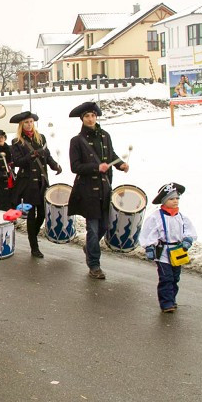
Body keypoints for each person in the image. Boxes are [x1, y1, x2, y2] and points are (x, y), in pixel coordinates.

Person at [68, 101, 128, 280]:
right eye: (87, 116)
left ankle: (89, 247)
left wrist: (120, 164)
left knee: (104, 226)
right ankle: (94, 265)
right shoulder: (77, 141)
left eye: (93, 115)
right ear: (82, 119)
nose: (90, 119)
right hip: (87, 190)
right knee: (93, 229)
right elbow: (75, 166)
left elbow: (111, 155)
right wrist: (96, 167)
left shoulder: (105, 136)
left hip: (105, 188)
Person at [9, 111, 62, 258]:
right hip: (27, 183)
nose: (29, 124)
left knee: (43, 214)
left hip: (41, 180)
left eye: (31, 121)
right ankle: (34, 246)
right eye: (26, 122)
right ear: (21, 125)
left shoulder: (41, 138)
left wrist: (54, 165)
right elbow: (18, 162)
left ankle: (33, 234)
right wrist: (32, 155)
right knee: (31, 216)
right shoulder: (16, 142)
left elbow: (48, 155)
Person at [140, 183, 197, 312]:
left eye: (177, 198)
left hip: (177, 251)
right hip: (163, 252)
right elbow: (149, 233)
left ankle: (172, 298)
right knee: (166, 277)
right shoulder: (156, 217)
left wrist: (188, 239)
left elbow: (189, 231)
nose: (175, 201)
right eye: (171, 199)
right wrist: (149, 246)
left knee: (175, 277)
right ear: (164, 201)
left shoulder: (182, 217)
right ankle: (166, 303)